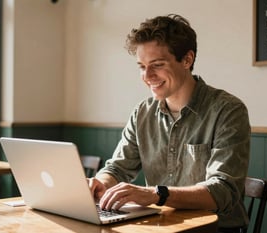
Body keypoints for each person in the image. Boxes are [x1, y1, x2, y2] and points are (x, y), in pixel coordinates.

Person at [88, 14, 250, 233]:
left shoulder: (228, 110)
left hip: (214, 229)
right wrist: (101, 182)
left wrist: (157, 194)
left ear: (187, 59)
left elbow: (223, 191)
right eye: (141, 66)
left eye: (157, 65)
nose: (147, 76)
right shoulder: (142, 113)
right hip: (159, 226)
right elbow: (117, 167)